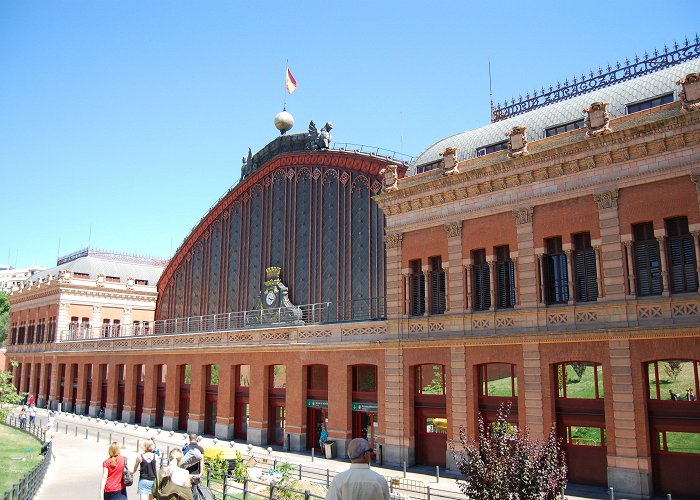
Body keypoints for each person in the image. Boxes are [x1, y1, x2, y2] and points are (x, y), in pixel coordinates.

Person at [325, 438, 390, 500]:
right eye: (369, 452)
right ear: (365, 454)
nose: (370, 455)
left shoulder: (339, 480)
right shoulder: (380, 481)